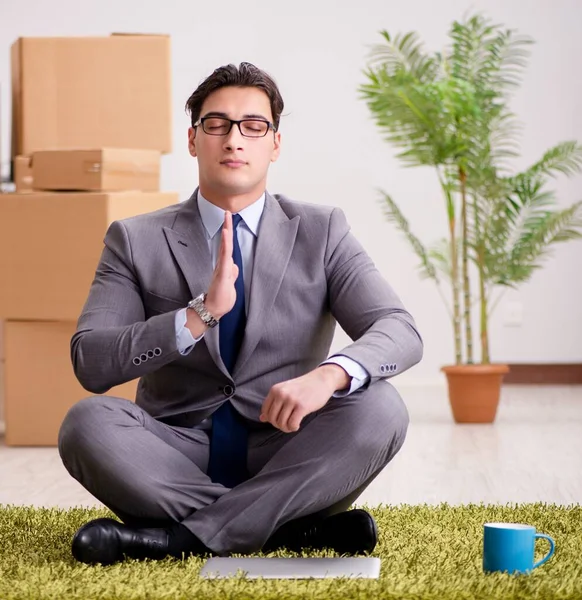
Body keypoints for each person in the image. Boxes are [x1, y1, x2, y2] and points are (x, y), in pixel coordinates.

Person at [58, 62, 423, 565]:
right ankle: (289, 530)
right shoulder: (135, 239)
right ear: (193, 139)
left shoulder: (323, 230)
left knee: (381, 407)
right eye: (217, 124)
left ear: (275, 143)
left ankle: (180, 540)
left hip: (289, 450)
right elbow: (91, 362)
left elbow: (398, 329)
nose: (235, 140)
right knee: (86, 424)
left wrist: (329, 376)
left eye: (254, 126)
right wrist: (196, 316)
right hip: (176, 453)